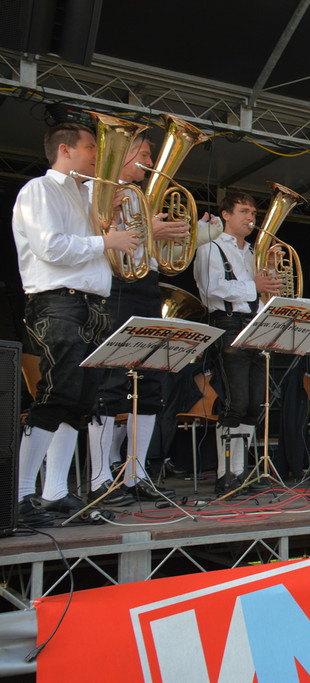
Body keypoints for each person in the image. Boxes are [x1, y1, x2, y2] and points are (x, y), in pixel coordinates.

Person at [12, 122, 141, 524]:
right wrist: (105, 240)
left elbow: (106, 254)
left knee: (81, 401)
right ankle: (20, 494)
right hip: (59, 302)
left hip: (91, 304)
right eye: (91, 148)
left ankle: (54, 492)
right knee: (57, 393)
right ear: (65, 150)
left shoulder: (88, 196)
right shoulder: (39, 189)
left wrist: (110, 222)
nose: (98, 156)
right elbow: (50, 248)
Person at [86, 133, 192, 505]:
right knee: (111, 382)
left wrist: (164, 237)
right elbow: (99, 238)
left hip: (147, 287)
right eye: (145, 155)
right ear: (125, 154)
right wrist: (151, 232)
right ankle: (100, 477)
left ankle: (136, 473)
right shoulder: (101, 192)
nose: (150, 163)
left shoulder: (142, 199)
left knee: (149, 384)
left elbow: (158, 257)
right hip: (115, 287)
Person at [193, 190, 281, 494]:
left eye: (253, 213)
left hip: (254, 325)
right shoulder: (210, 246)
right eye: (244, 211)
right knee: (236, 401)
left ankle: (240, 472)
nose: (251, 218)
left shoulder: (253, 252)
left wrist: (270, 273)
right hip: (228, 324)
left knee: (255, 403)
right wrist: (253, 285)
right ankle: (225, 474)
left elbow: (262, 292)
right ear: (226, 215)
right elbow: (210, 288)